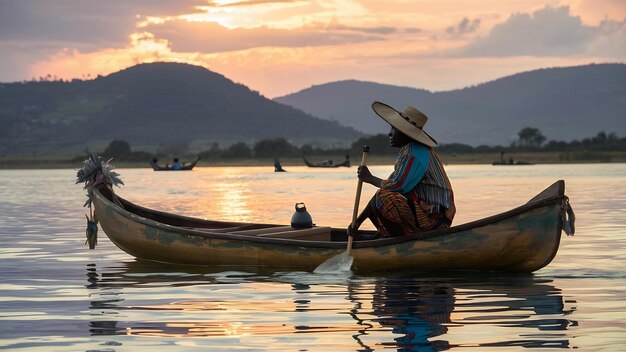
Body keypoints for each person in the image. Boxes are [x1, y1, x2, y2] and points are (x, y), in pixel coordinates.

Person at [350, 101, 455, 238]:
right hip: (426, 213)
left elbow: (396, 186)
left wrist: (369, 178)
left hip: (435, 219)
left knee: (383, 197)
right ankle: (387, 236)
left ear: (405, 133)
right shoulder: (409, 150)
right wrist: (357, 223)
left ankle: (397, 242)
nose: (389, 133)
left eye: (393, 129)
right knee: (382, 196)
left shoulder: (416, 152)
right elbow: (389, 186)